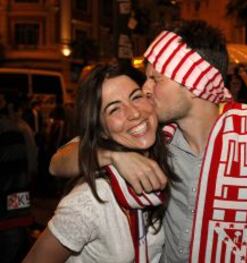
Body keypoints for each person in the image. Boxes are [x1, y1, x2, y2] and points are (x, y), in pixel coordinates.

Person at [49, 20, 247, 262]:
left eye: (156, 78)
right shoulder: (156, 136)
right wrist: (113, 156)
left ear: (194, 83)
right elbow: (58, 162)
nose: (146, 88)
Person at [23, 64, 177, 262]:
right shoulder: (92, 199)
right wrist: (113, 156)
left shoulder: (168, 156)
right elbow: (55, 164)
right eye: (114, 109)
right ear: (102, 130)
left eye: (136, 97)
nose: (134, 113)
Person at [0, 93, 34, 263]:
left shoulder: (12, 130)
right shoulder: (14, 129)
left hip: (9, 219)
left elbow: (18, 178)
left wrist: (19, 216)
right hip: (13, 218)